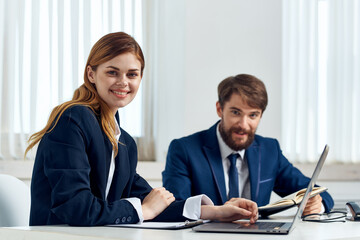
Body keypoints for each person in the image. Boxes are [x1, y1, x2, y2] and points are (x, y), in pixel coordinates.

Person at [25, 32, 258, 226]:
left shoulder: (124, 142)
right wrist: (144, 210)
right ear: (91, 74)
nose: (123, 82)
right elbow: (76, 207)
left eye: (132, 74)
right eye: (112, 72)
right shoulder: (73, 119)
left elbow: (151, 201)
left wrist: (217, 211)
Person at [162, 74, 334, 216]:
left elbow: (318, 192)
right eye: (236, 112)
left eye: (253, 115)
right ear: (220, 109)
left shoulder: (269, 150)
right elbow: (175, 208)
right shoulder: (184, 149)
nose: (243, 124)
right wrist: (217, 212)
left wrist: (317, 205)